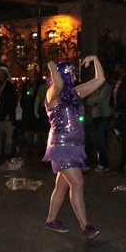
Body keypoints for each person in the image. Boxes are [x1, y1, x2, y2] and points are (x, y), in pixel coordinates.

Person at [43, 56, 105, 238]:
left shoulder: (74, 94)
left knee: (61, 186)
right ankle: (85, 226)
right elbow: (59, 84)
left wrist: (95, 59)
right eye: (72, 74)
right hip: (61, 146)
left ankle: (50, 220)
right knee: (77, 182)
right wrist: (52, 64)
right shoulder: (52, 95)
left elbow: (100, 80)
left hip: (75, 146)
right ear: (64, 75)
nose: (75, 77)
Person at [85, 72, 113, 172]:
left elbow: (99, 99)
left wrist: (93, 101)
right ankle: (98, 161)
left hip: (104, 115)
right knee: (97, 139)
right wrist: (93, 101)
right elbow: (89, 100)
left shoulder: (107, 87)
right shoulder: (96, 87)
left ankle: (104, 163)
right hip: (96, 115)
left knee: (102, 139)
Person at [0, 66, 17, 158]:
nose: (0, 75)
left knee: (8, 138)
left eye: (2, 73)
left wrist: (9, 114)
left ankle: (8, 154)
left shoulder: (9, 86)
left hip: (7, 116)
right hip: (0, 115)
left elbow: (12, 101)